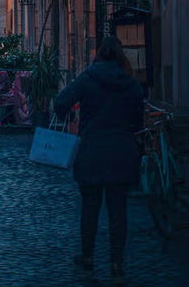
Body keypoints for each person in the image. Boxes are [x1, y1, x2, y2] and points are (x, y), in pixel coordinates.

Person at [54, 35, 144, 286]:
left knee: (90, 209)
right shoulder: (130, 82)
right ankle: (116, 265)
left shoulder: (89, 77)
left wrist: (77, 115)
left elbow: (60, 103)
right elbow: (138, 119)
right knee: (118, 213)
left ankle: (88, 257)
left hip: (92, 152)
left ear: (99, 54)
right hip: (121, 153)